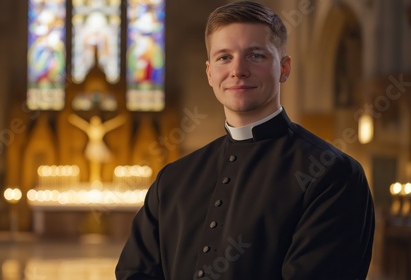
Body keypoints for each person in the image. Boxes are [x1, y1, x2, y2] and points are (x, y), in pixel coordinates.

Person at [115, 1, 375, 279]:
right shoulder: (172, 180)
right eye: (224, 57)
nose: (238, 70)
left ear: (284, 68)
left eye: (256, 56)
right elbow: (135, 273)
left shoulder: (332, 174)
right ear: (210, 73)